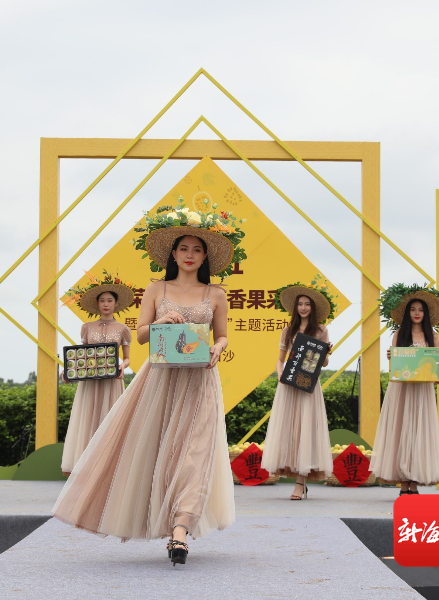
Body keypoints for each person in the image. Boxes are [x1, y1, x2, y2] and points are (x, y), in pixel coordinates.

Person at [53, 201, 245, 565]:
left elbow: (222, 335)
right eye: (184, 248)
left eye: (197, 249)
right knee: (159, 450)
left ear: (205, 257)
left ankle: (180, 530)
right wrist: (161, 322)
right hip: (161, 379)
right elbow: (141, 335)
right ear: (173, 253)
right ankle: (164, 521)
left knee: (197, 452)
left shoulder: (216, 294)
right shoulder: (157, 289)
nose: (190, 255)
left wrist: (218, 348)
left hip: (201, 380)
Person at [371, 284, 439, 496]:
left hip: (422, 392)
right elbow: (395, 366)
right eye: (413, 309)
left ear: (425, 314)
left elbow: (436, 367)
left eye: (420, 310)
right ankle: (403, 483)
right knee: (400, 431)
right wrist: (391, 357)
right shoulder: (399, 334)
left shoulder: (433, 336)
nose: (417, 313)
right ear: (407, 313)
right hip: (401, 390)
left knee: (419, 433)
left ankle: (415, 482)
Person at [261, 276, 336, 500]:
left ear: (313, 308)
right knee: (290, 430)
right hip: (289, 383)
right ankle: (295, 477)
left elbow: (324, 363)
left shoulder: (321, 330)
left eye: (307, 304)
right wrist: (280, 373)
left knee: (305, 429)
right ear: (295, 307)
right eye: (300, 304)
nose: (303, 308)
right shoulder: (287, 330)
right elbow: (280, 360)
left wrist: (325, 352)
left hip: (308, 385)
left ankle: (300, 482)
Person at [60, 272, 134, 476]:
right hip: (89, 381)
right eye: (102, 300)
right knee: (88, 418)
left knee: (110, 418)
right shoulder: (87, 327)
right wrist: (68, 370)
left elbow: (127, 358)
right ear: (97, 304)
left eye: (109, 300)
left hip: (112, 381)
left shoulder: (123, 329)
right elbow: (81, 355)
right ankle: (86, 466)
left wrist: (122, 366)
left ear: (116, 303)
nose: (106, 304)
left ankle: (108, 466)